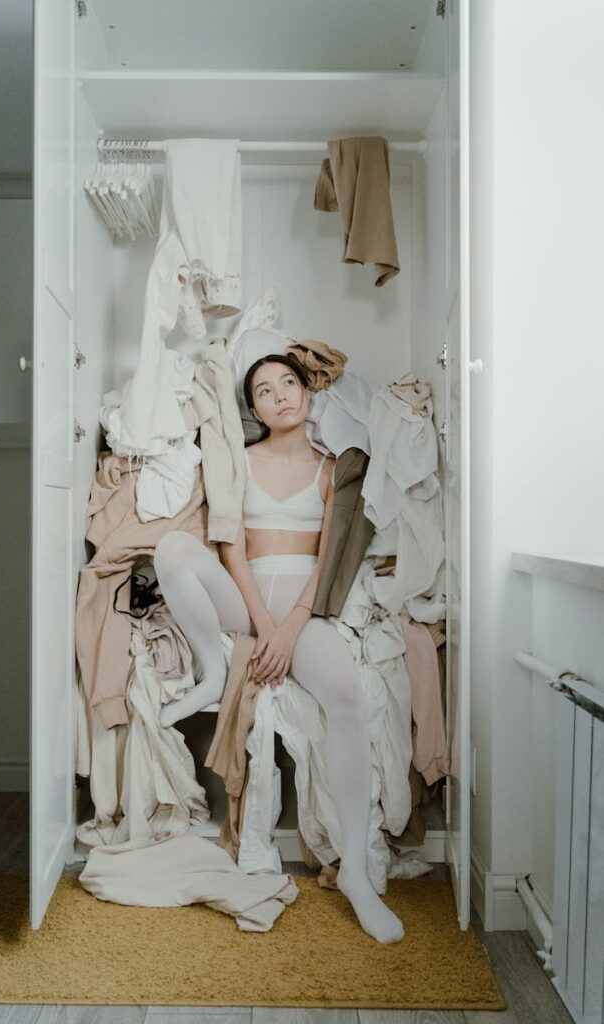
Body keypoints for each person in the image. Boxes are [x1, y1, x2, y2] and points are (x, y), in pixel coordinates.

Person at [153, 354, 405, 944]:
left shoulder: (332, 469)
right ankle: (214, 670)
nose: (281, 396)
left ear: (306, 392)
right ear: (255, 409)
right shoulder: (238, 462)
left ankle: (356, 874)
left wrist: (290, 629)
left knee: (345, 693)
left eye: (288, 383)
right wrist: (263, 630)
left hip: (304, 611)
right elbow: (232, 551)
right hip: (248, 602)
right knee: (171, 550)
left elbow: (329, 560)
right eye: (264, 391)